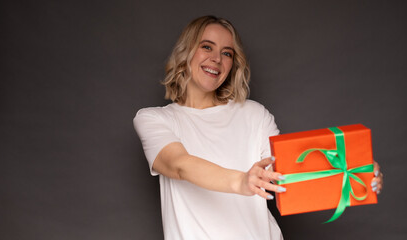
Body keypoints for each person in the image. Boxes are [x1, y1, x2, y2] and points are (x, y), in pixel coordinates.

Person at [133, 15, 383, 240]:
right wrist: (242, 181)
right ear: (186, 52)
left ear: (233, 64)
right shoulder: (154, 119)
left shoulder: (253, 114)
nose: (216, 59)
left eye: (227, 53)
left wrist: (354, 171)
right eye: (206, 47)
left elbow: (287, 175)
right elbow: (179, 165)